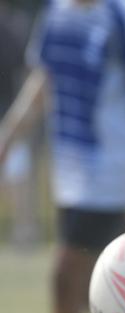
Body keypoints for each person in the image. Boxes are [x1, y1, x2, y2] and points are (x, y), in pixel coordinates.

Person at [0, 1, 125, 313]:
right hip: (69, 176)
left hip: (112, 173)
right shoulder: (55, 14)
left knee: (67, 276)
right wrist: (7, 140)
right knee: (100, 293)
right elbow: (42, 83)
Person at [0, 0, 40, 248]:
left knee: (17, 172)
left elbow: (28, 72)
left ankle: (25, 231)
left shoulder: (13, 29)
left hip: (7, 114)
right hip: (9, 113)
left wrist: (23, 118)